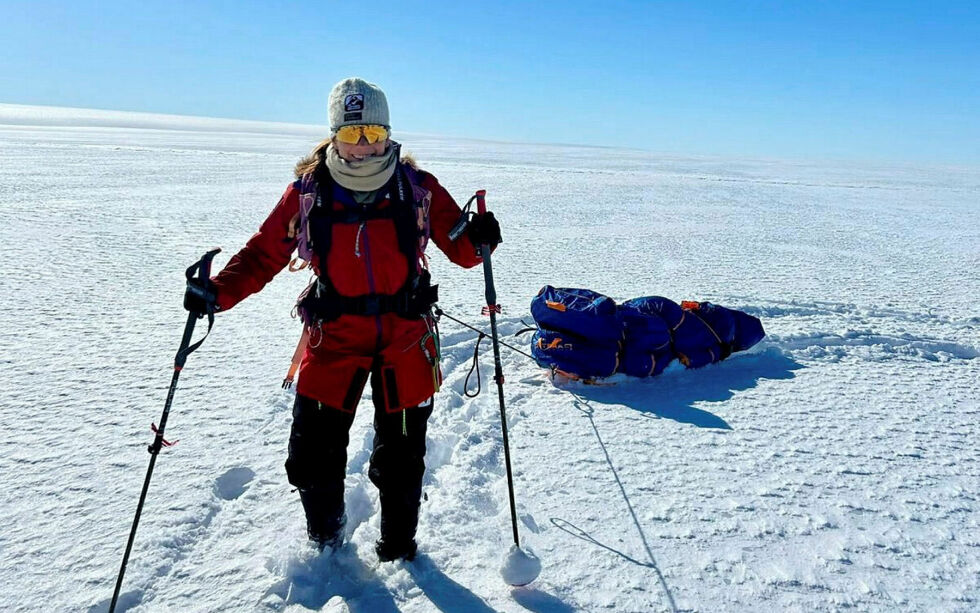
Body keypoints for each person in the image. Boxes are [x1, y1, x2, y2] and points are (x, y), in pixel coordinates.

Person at [184, 77, 501, 561]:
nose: (363, 146)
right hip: (333, 337)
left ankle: (398, 548)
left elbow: (462, 250)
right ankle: (326, 545)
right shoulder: (308, 192)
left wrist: (481, 238)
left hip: (404, 336)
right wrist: (216, 293)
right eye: (352, 135)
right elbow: (263, 253)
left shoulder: (417, 188)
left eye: (373, 133)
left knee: (401, 460)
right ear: (334, 136)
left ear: (389, 133)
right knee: (312, 457)